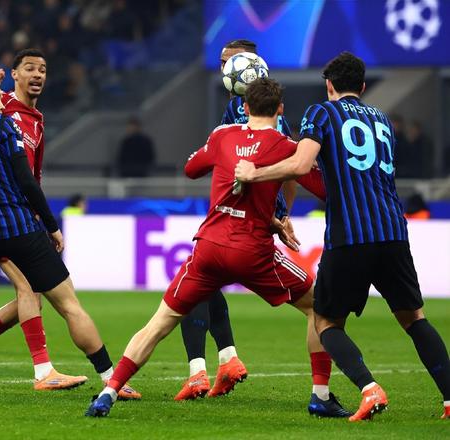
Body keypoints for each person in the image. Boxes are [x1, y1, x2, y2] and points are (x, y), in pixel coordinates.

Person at [86, 78, 348, 418]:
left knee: (159, 323)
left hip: (209, 247)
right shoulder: (287, 147)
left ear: (245, 107)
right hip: (252, 252)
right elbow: (325, 188)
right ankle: (321, 396)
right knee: (319, 307)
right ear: (281, 110)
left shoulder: (223, 135)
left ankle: (108, 392)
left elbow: (191, 169)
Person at [234, 52, 450, 421]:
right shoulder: (382, 119)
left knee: (325, 321)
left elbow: (301, 165)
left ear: (329, 85)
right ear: (362, 87)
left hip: (350, 234)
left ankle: (369, 388)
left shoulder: (321, 113)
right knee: (414, 318)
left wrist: (254, 173)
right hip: (393, 232)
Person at [0, 50, 140, 398]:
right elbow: (25, 179)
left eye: (43, 69)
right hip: (16, 220)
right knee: (53, 298)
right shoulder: (4, 116)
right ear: (13, 76)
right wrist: (50, 224)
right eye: (30, 68)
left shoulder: (28, 122)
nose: (37, 74)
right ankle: (83, 375)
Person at [175, 40, 329, 417]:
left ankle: (200, 371)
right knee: (205, 284)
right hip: (240, 212)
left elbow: (291, 168)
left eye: (231, 62)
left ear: (251, 68)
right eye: (223, 62)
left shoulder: (256, 112)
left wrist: (282, 214)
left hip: (249, 218)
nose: (225, 69)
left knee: (199, 284)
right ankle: (226, 360)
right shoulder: (239, 107)